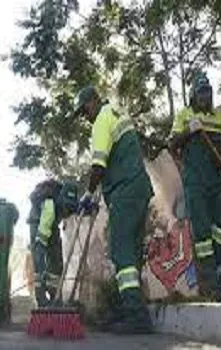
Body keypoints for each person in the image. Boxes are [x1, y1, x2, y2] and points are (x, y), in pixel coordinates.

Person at [73, 86, 155, 334]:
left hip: (125, 191)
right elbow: (116, 158)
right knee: (132, 250)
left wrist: (88, 193)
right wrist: (101, 191)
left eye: (85, 108)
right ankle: (129, 307)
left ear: (94, 101)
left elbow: (98, 164)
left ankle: (136, 316)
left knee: (121, 251)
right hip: (139, 188)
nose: (85, 116)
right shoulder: (118, 114)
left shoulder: (101, 120)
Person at [167, 72, 221, 298]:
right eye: (200, 92)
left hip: (217, 179)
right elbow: (172, 144)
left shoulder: (220, 118)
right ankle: (211, 284)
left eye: (207, 92)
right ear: (192, 95)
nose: (205, 96)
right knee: (202, 233)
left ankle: (209, 268)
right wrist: (189, 130)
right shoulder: (184, 115)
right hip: (195, 181)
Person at [27, 179, 79, 307]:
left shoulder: (65, 201)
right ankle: (41, 299)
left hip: (52, 225)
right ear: (61, 200)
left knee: (56, 260)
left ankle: (55, 295)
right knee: (40, 262)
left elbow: (76, 208)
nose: (67, 212)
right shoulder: (50, 205)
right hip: (38, 224)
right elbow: (45, 226)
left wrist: (89, 207)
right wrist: (40, 243)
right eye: (66, 208)